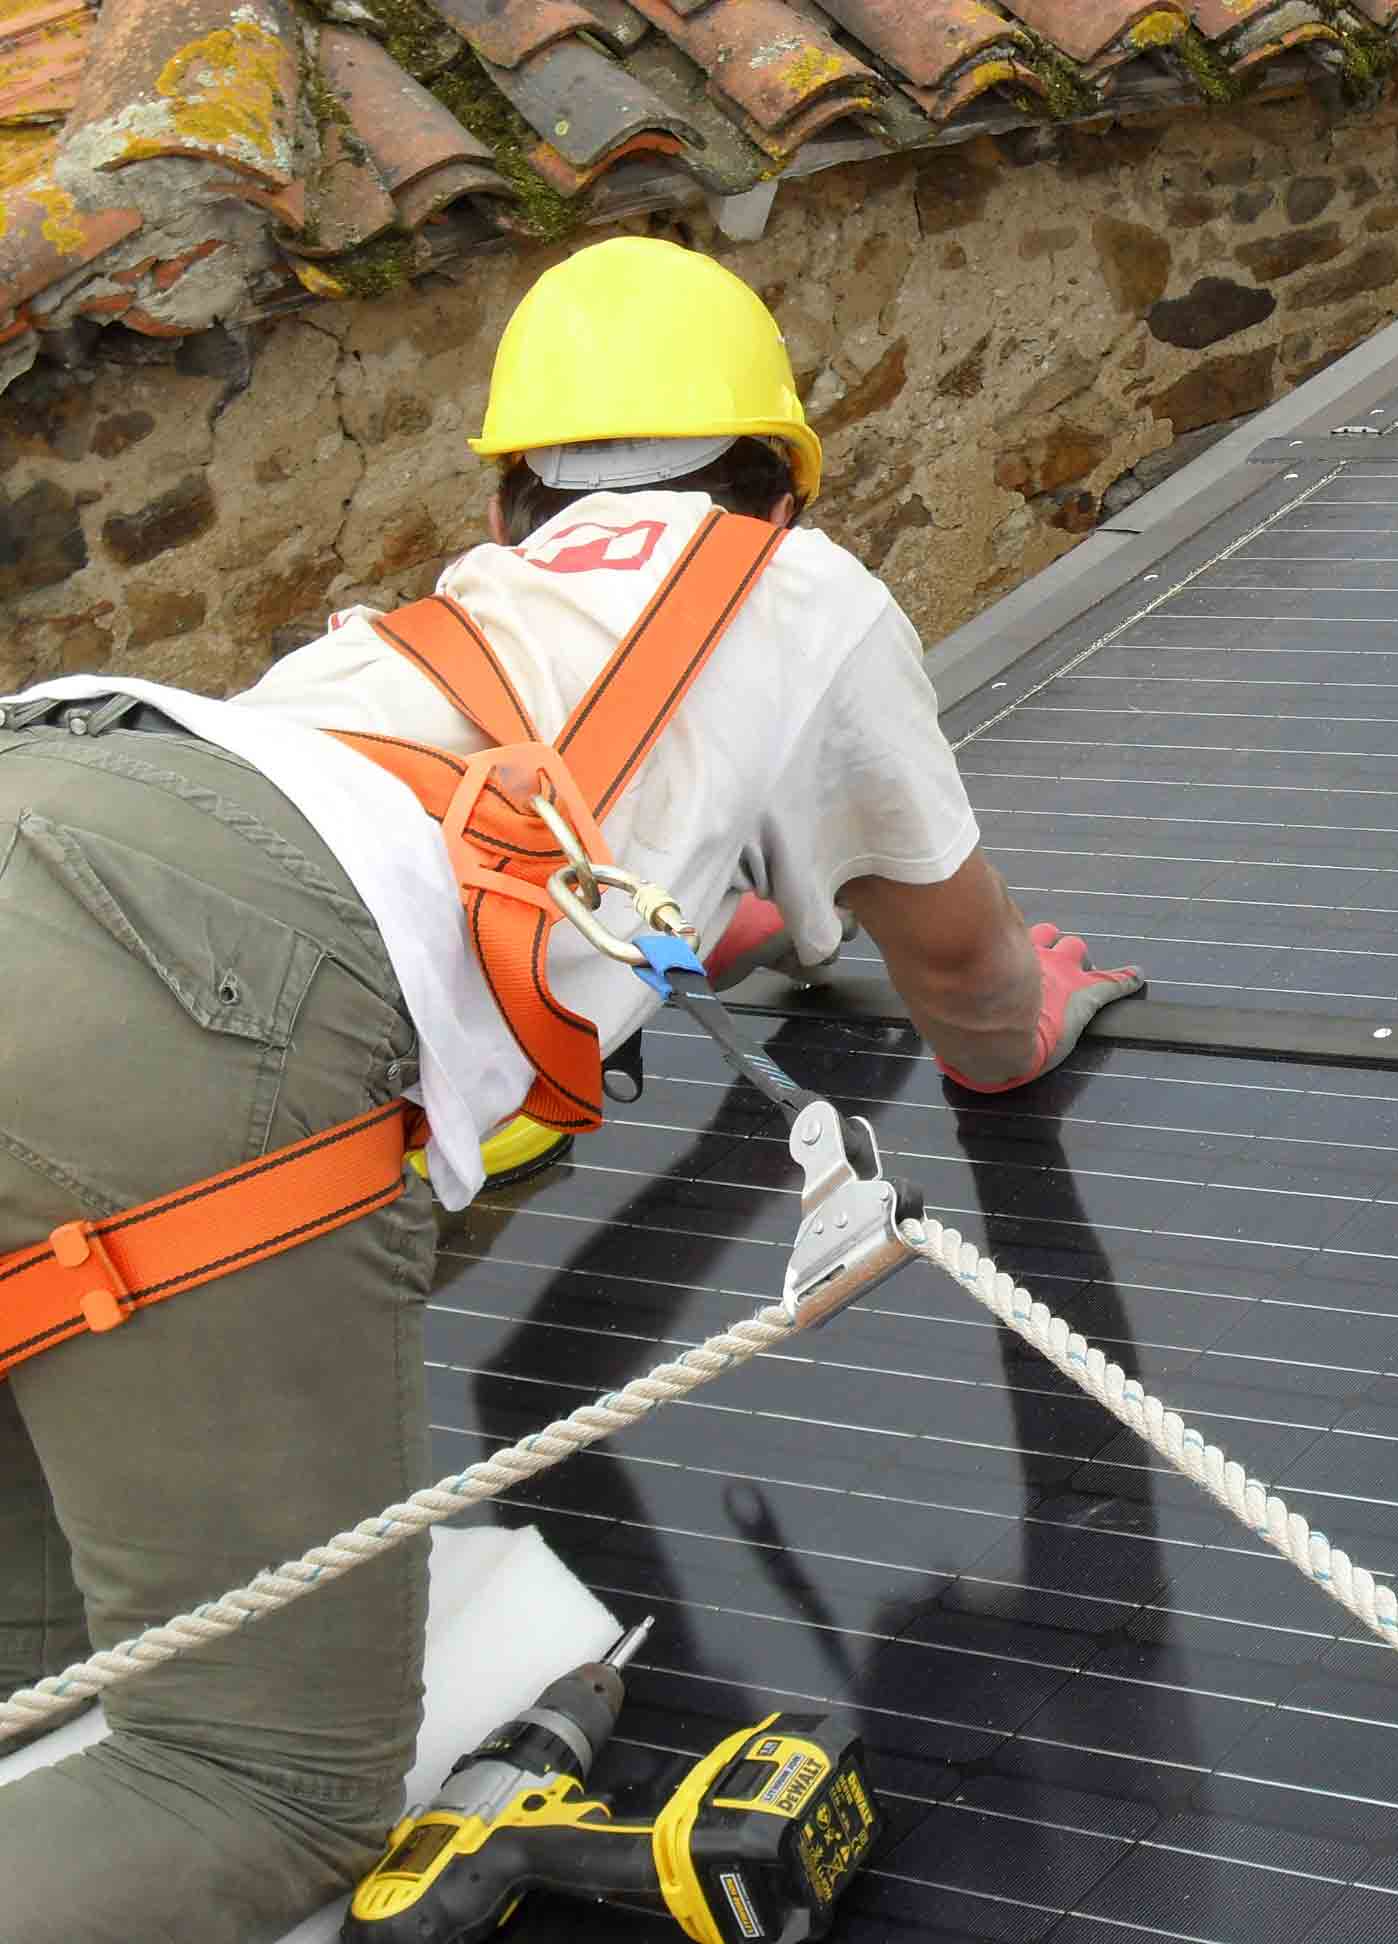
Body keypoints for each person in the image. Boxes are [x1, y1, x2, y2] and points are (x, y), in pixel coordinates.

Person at [0, 235, 1140, 1942]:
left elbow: (571, 875)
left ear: (520, 482)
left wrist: (723, 931)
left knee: (58, 1651)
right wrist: (1022, 1018)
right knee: (248, 1779)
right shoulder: (802, 588)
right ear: (778, 467)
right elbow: (972, 990)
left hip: (72, 785)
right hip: (174, 993)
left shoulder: (457, 620)